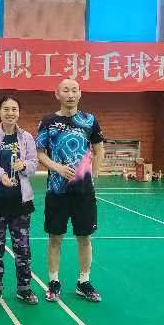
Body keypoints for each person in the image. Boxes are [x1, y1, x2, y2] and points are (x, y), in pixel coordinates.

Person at [36, 79, 104, 303]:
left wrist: (92, 174)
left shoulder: (89, 120)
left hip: (84, 192)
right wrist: (56, 167)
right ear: (57, 94)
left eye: (74, 90)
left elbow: (99, 149)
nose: (70, 94)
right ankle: (53, 281)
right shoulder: (48, 121)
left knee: (84, 237)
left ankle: (84, 281)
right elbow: (40, 152)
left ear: (80, 94)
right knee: (55, 237)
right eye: (66, 90)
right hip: (57, 191)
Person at [0, 96, 39, 306]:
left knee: (23, 249)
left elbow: (34, 162)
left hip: (20, 204)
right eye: (6, 109)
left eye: (14, 109)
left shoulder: (26, 137)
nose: (10, 113)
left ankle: (24, 288)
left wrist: (24, 166)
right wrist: (0, 174)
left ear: (19, 112)